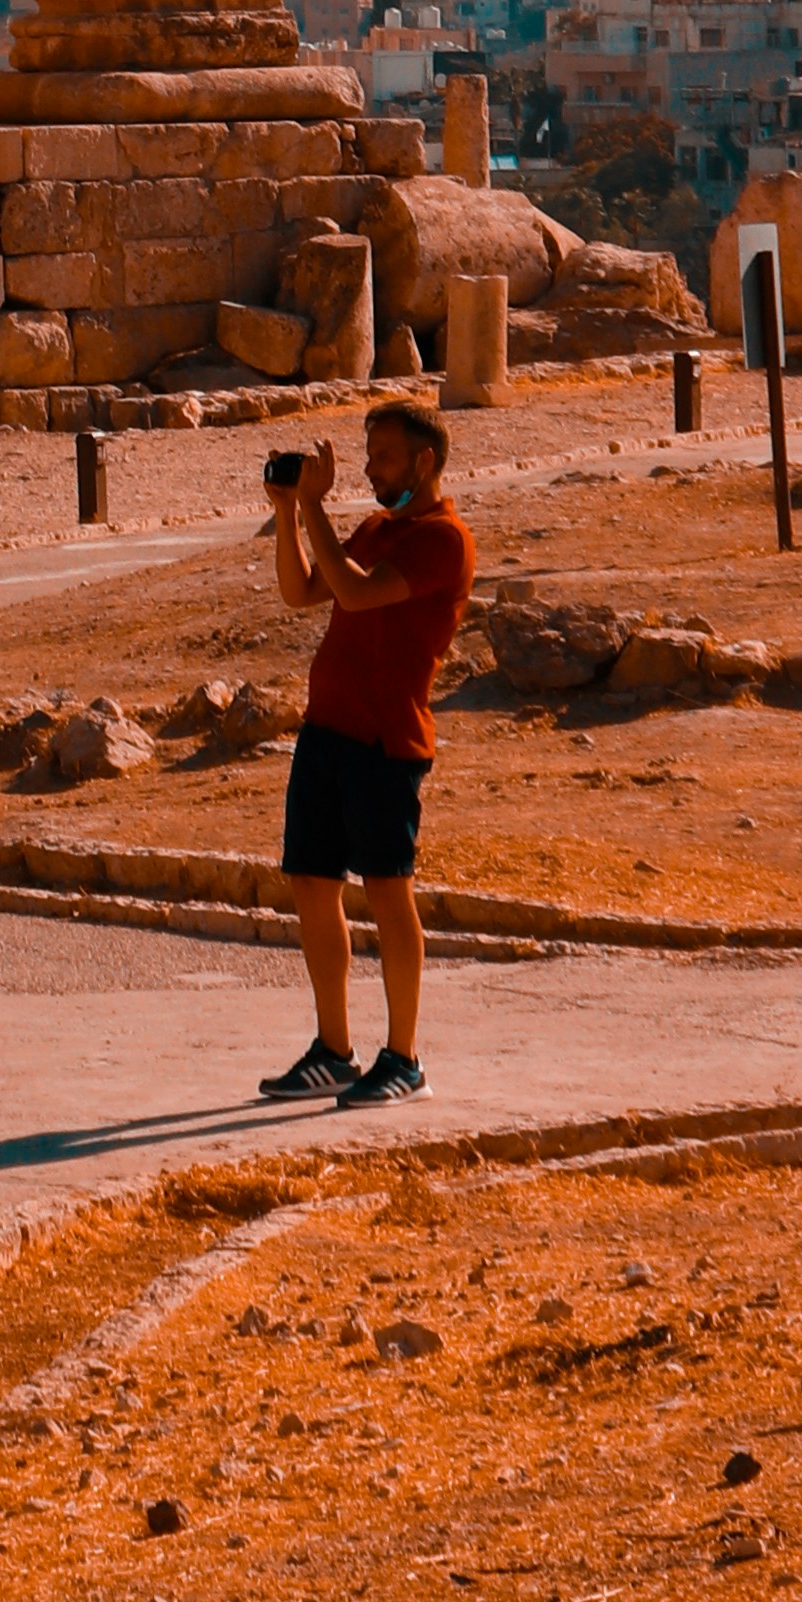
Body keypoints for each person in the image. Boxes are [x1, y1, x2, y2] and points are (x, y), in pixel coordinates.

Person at [256, 389, 474, 1107]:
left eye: (382, 456)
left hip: (386, 740)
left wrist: (315, 506)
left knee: (387, 892)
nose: (371, 470)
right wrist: (289, 510)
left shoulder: (443, 539)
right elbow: (301, 592)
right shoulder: (375, 528)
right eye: (369, 455)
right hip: (328, 730)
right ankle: (334, 1049)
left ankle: (404, 1057)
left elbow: (354, 595)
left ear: (425, 459)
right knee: (313, 885)